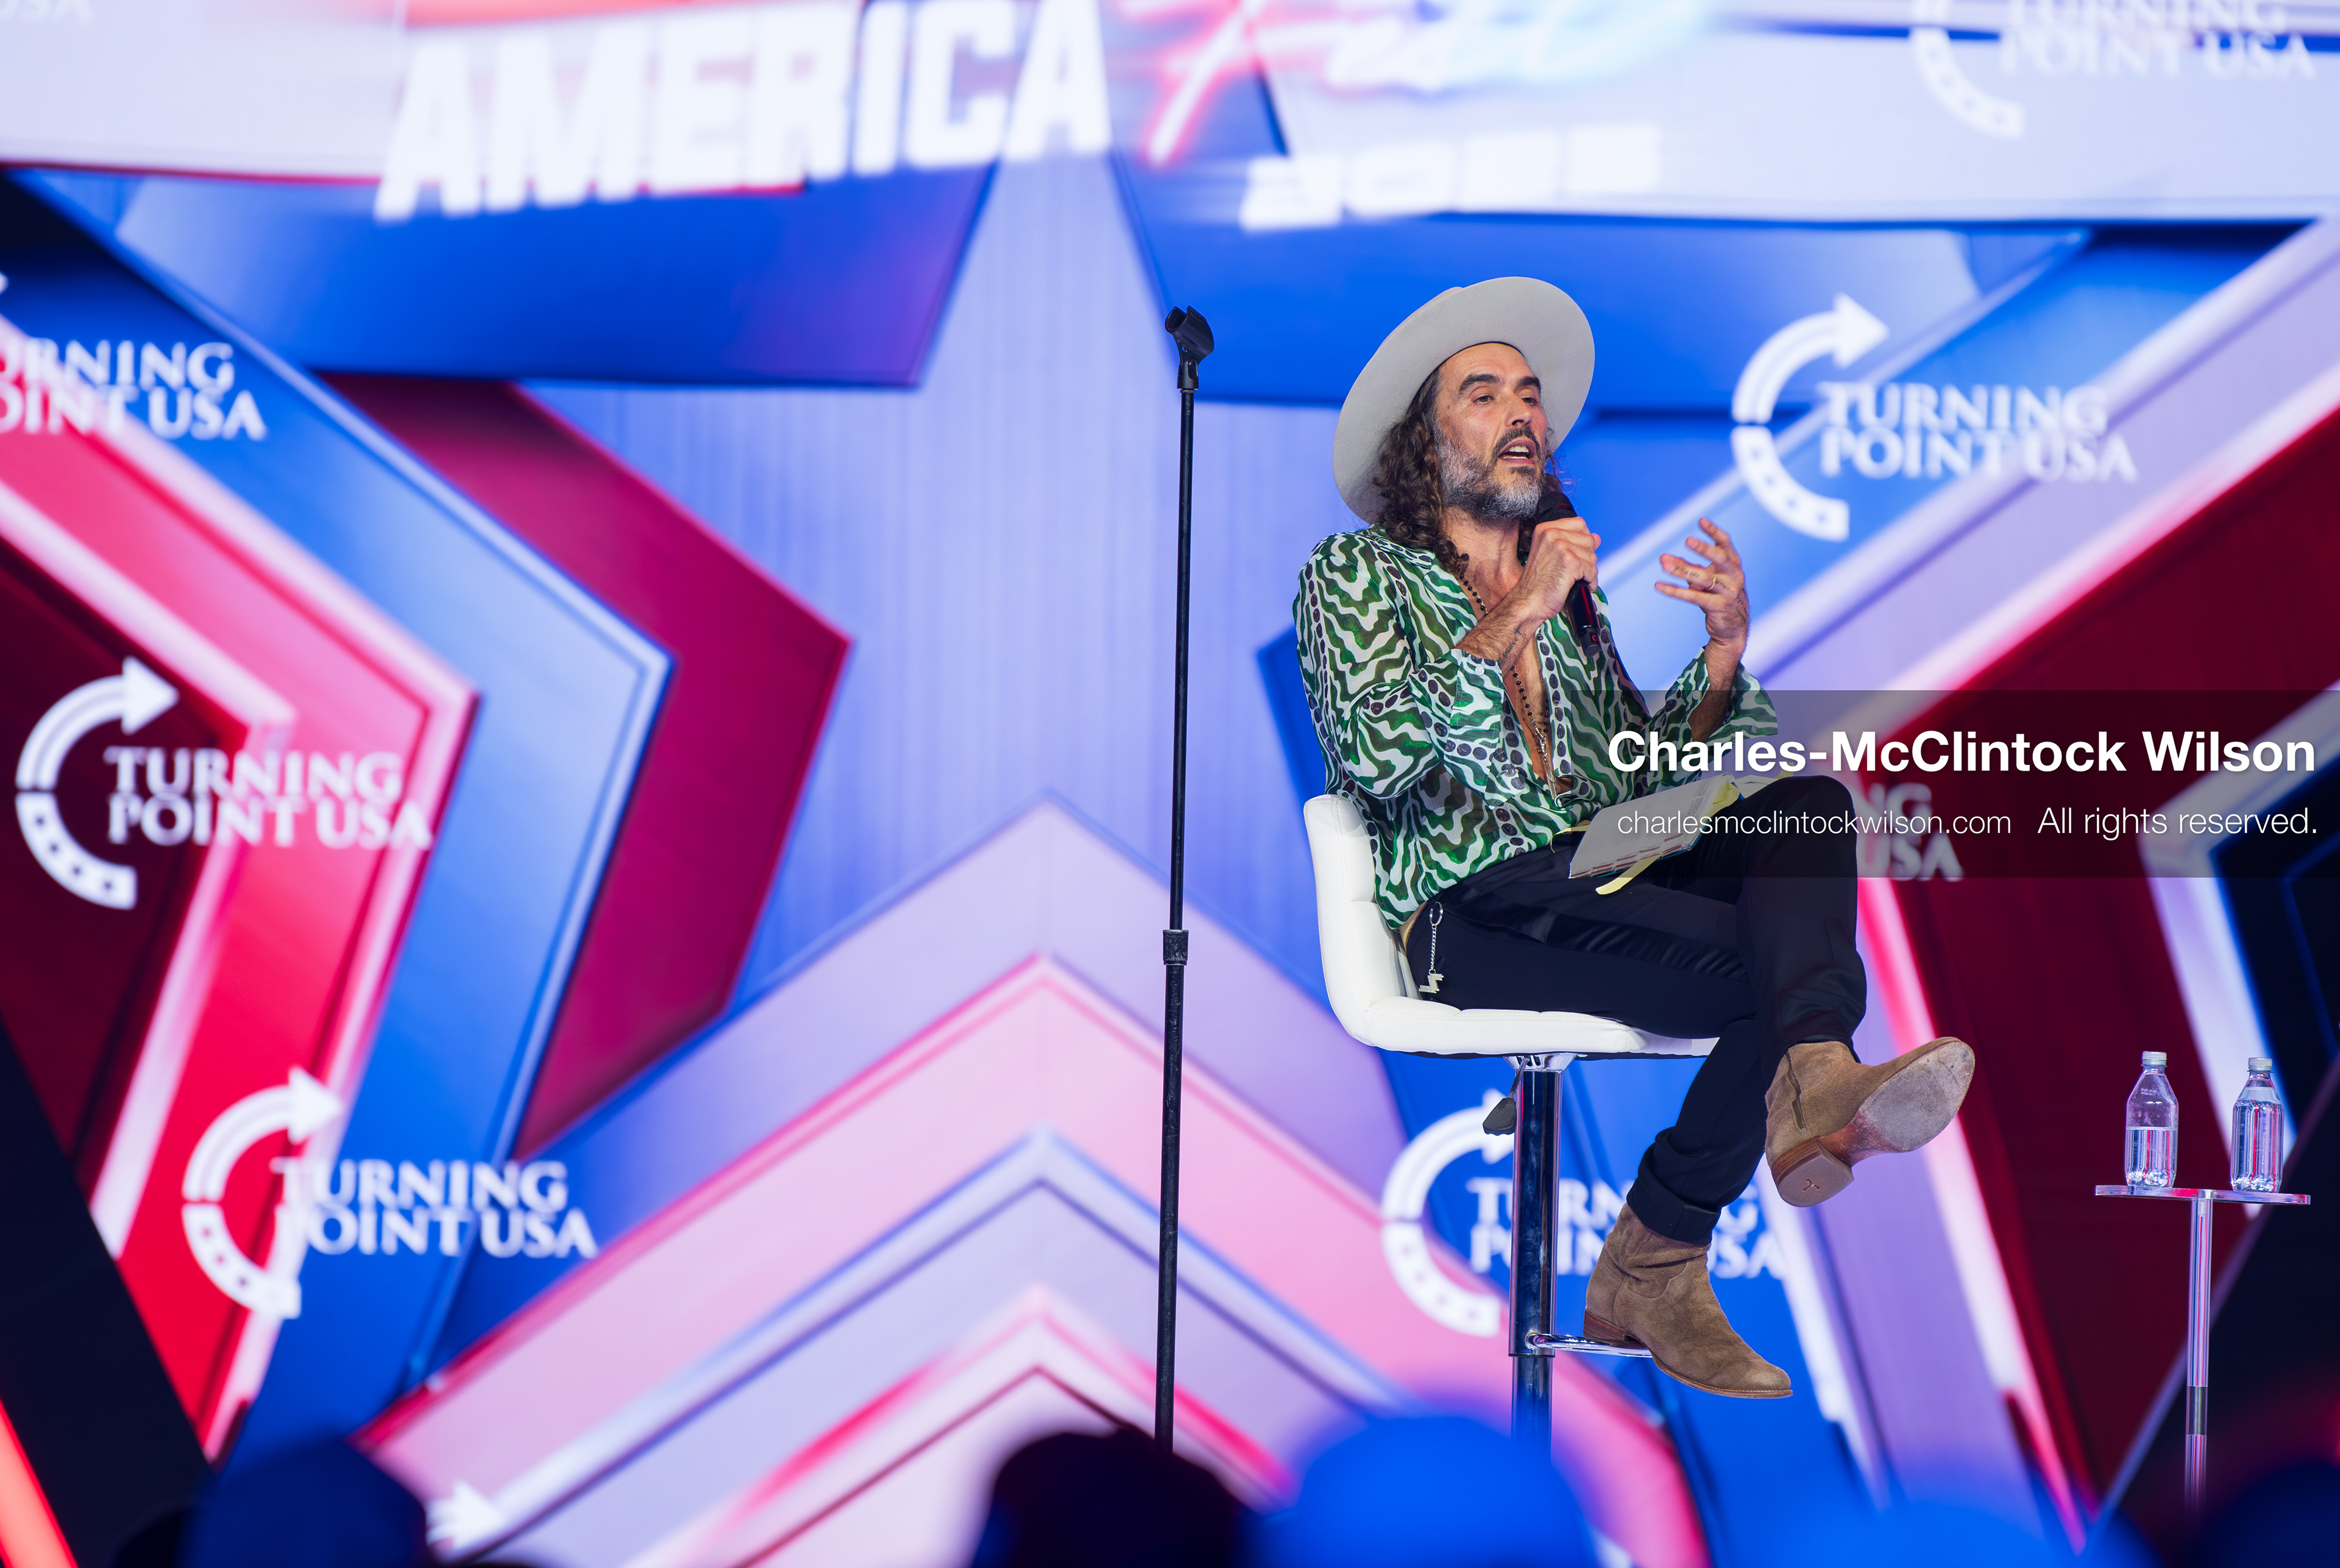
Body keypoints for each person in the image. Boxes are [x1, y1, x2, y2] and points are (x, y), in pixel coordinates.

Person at [1294, 277, 1976, 1397]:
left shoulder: (1567, 599)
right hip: (1469, 912)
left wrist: (1719, 660)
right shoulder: (1353, 574)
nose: (1524, 412)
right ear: (1427, 442)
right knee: (1780, 964)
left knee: (1804, 805)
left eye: (1530, 394)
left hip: (1597, 868)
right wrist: (1519, 607)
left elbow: (1638, 783)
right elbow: (1378, 753)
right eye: (1484, 393)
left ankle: (1811, 1075)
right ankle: (1663, 1247)